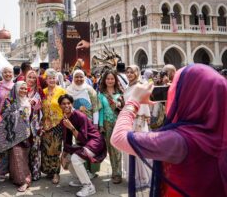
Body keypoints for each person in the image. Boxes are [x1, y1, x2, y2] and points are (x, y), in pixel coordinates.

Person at [111, 64, 227, 197]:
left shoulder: (179, 141)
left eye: (175, 88)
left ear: (187, 96)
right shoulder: (221, 132)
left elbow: (119, 138)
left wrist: (133, 101)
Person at [59, 94, 106, 197]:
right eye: (63, 104)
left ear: (72, 104)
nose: (66, 105)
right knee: (67, 157)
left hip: (95, 142)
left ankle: (89, 186)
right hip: (86, 144)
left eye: (69, 103)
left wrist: (71, 127)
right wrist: (63, 156)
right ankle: (83, 179)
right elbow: (67, 141)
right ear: (60, 106)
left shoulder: (80, 115)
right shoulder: (65, 118)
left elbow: (83, 138)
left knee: (75, 158)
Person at [0, 81, 32, 192]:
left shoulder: (28, 101)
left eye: (25, 88)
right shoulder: (10, 101)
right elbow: (3, 115)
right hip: (13, 134)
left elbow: (29, 117)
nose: (23, 90)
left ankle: (25, 180)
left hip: (25, 134)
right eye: (21, 88)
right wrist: (17, 113)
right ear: (15, 89)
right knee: (16, 156)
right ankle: (20, 180)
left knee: (22, 157)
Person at [66, 69, 100, 178]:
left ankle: (92, 171)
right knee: (80, 145)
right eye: (77, 77)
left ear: (84, 78)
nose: (79, 79)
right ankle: (83, 171)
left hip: (89, 124)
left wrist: (96, 124)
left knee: (90, 147)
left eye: (81, 77)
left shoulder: (90, 90)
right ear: (73, 78)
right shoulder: (68, 90)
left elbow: (95, 107)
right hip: (76, 124)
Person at [123, 65, 151, 188]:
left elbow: (144, 105)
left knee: (138, 150)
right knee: (130, 150)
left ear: (137, 73)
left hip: (138, 122)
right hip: (129, 121)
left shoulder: (140, 87)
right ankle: (134, 176)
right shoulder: (128, 86)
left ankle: (143, 178)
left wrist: (139, 123)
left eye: (132, 72)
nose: (129, 74)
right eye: (127, 72)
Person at [97, 70, 124, 184]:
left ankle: (118, 173)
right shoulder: (101, 94)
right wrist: (101, 125)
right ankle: (114, 171)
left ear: (115, 80)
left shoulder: (121, 92)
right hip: (107, 123)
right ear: (104, 80)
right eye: (108, 79)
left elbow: (124, 109)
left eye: (112, 78)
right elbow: (101, 110)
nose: (110, 81)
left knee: (118, 149)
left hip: (119, 123)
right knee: (111, 149)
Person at [41, 68, 66, 184]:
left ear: (56, 79)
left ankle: (56, 173)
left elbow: (66, 105)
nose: (51, 80)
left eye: (53, 78)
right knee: (46, 148)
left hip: (58, 124)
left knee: (55, 148)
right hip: (45, 124)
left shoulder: (61, 91)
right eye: (49, 78)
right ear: (46, 80)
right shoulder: (43, 92)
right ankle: (48, 171)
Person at [0, 66, 14, 181]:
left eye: (9, 72)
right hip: (0, 119)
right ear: (2, 73)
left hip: (13, 120)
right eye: (5, 72)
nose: (8, 74)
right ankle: (2, 171)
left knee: (13, 145)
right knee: (2, 145)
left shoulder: (16, 86)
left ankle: (13, 171)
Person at [25, 70, 44, 181]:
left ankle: (36, 172)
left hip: (35, 124)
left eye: (33, 78)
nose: (31, 80)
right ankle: (25, 173)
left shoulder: (39, 91)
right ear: (25, 78)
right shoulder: (20, 89)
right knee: (24, 149)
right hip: (23, 124)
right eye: (29, 77)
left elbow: (42, 109)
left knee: (35, 149)